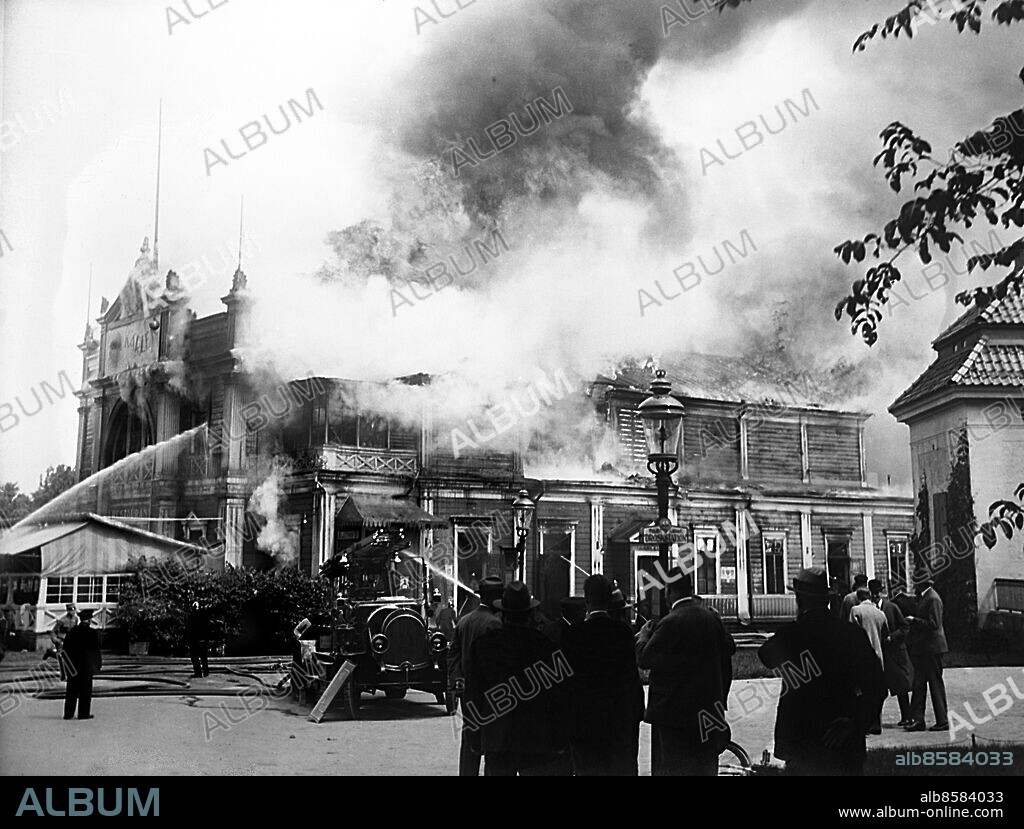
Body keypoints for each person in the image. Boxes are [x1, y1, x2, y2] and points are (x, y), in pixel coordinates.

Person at [759, 567, 885, 775]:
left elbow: (766, 656)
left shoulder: (792, 635)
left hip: (803, 742)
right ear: (826, 599)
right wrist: (855, 722)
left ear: (799, 599)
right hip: (844, 742)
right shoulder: (852, 634)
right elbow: (878, 686)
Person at [636, 567, 735, 776]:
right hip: (709, 712)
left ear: (669, 592)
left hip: (676, 718)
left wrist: (643, 636)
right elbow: (728, 651)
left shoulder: (670, 622)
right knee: (705, 767)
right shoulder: (711, 619)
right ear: (690, 589)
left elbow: (644, 659)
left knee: (677, 768)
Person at [467, 581, 570, 776]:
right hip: (538, 739)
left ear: (502, 614)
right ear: (530, 614)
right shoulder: (545, 646)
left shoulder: (484, 646)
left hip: (497, 738)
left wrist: (474, 737)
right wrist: (560, 738)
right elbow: (559, 697)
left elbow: (473, 694)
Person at [563, 574, 644, 776]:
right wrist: (636, 713)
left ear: (586, 600)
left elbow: (566, 685)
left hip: (585, 725)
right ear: (609, 600)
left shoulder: (574, 634)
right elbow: (631, 678)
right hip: (618, 724)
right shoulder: (623, 633)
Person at [448, 576, 504, 776]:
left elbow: (453, 654)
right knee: (492, 739)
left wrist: (457, 679)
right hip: (490, 691)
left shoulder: (464, 621)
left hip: (468, 691)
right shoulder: (496, 623)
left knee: (469, 737)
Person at [904, 570, 949, 732]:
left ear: (921, 583)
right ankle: (918, 720)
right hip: (924, 648)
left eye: (916, 581)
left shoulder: (933, 599)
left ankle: (942, 720)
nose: (914, 584)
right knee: (919, 683)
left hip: (932, 648)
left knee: (934, 684)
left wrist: (914, 621)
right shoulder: (925, 597)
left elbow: (934, 624)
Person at [870, 579, 914, 727]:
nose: (876, 596)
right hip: (880, 653)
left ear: (882, 593)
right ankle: (875, 720)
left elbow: (905, 628)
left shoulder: (892, 608)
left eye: (878, 593)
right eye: (873, 594)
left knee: (901, 686)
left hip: (894, 652)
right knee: (878, 687)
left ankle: (907, 716)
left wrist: (892, 637)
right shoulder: (871, 609)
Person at [850, 587, 889, 735]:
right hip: (878, 654)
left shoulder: (855, 610)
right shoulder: (880, 613)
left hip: (861, 654)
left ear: (858, 598)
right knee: (877, 689)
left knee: (861, 690)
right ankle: (876, 723)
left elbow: (851, 632)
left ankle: (864, 723)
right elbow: (886, 633)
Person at [63, 608, 101, 720]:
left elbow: (65, 648)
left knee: (71, 689)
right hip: (86, 665)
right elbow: (95, 650)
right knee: (85, 690)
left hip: (73, 665)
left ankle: (68, 713)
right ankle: (83, 713)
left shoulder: (72, 631)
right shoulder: (92, 633)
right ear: (89, 620)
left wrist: (67, 665)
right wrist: (97, 664)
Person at [49, 603, 78, 681]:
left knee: (72, 658)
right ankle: (63, 676)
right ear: (67, 611)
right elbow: (53, 631)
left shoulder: (76, 619)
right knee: (62, 659)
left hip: (71, 641)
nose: (73, 612)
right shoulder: (62, 620)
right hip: (61, 641)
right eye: (70, 610)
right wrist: (56, 640)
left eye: (74, 610)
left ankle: (72, 675)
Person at [186, 601, 211, 679]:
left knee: (194, 656)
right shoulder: (204, 616)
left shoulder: (191, 617)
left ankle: (198, 672)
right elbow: (207, 628)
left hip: (195, 640)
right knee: (203, 657)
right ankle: (205, 672)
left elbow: (189, 629)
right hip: (202, 640)